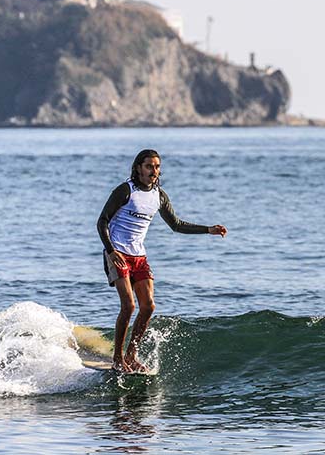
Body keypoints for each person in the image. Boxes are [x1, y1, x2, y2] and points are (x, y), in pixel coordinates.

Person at [97, 149, 227, 373]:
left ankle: (132, 354)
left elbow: (176, 225)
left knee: (148, 306)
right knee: (129, 305)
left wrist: (209, 230)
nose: (153, 171)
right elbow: (102, 222)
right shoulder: (124, 191)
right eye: (149, 166)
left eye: (157, 167)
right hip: (117, 252)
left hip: (139, 256)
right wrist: (110, 251)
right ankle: (118, 358)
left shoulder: (159, 196)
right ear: (138, 168)